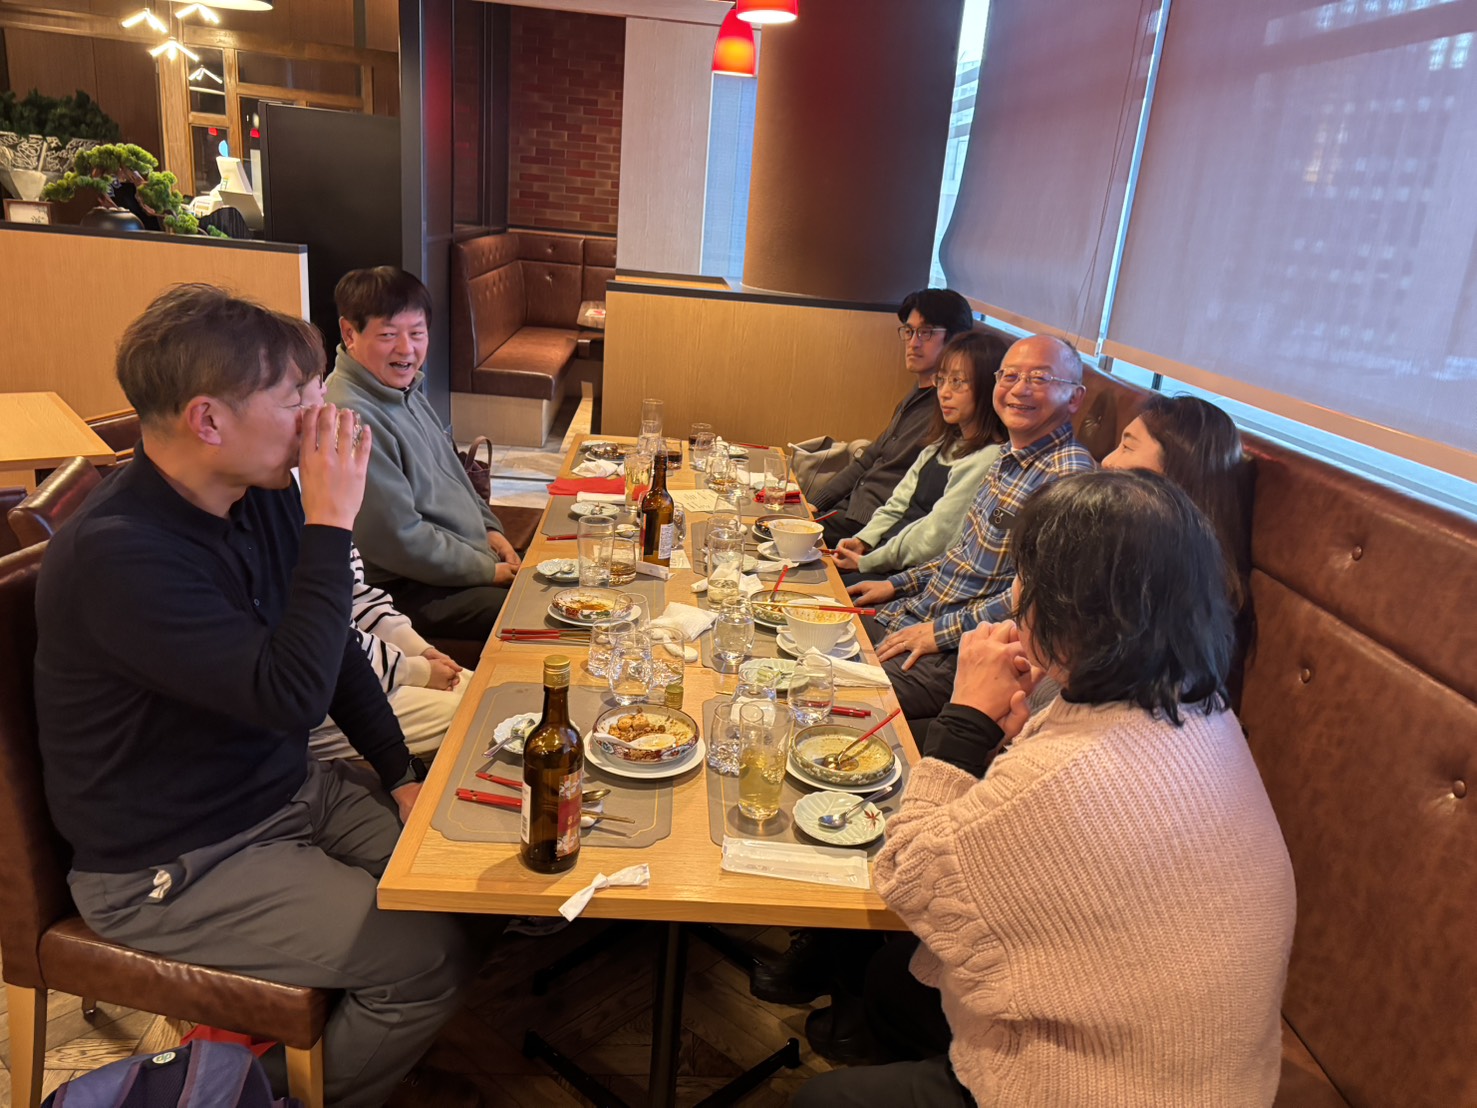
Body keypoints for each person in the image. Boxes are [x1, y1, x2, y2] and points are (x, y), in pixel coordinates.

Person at [35, 285, 492, 1108]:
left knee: (463, 882)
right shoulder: (119, 556)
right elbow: (290, 697)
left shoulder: (264, 493)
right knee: (428, 960)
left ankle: (323, 1050)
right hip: (174, 860)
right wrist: (331, 523)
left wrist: (398, 774)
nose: (323, 417)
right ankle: (255, 1094)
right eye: (297, 398)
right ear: (209, 421)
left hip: (284, 792)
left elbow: (333, 649)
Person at [794, 470, 1296, 1107]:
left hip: (1118, 1088)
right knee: (897, 981)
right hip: (1211, 1064)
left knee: (817, 1102)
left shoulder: (1075, 774)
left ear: (1071, 610)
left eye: (1023, 577)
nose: (1013, 594)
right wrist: (1003, 739)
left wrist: (966, 719)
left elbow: (907, 876)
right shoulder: (1199, 707)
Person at [847, 334, 1095, 722]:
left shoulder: (1067, 479)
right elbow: (963, 551)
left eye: (1040, 378)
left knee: (828, 692)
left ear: (1075, 398)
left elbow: (1033, 601)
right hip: (914, 613)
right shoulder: (1008, 458)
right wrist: (897, 584)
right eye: (1010, 376)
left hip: (955, 653)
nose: (1020, 389)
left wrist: (939, 632)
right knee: (801, 633)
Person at [324, 266, 518, 642]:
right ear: (349, 333)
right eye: (388, 335)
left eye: (417, 333)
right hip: (406, 588)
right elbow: (398, 540)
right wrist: (485, 570)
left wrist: (491, 530)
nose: (406, 349)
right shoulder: (351, 417)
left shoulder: (404, 390)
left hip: (459, 560)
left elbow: (455, 476)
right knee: (530, 614)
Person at [832, 331, 1008, 583]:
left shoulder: (987, 456)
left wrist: (868, 561)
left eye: (957, 381)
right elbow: (898, 502)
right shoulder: (943, 442)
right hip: (883, 555)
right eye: (942, 380)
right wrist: (863, 540)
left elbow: (936, 535)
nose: (944, 392)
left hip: (911, 574)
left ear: (989, 387)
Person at [809, 289, 975, 548]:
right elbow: (869, 459)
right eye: (909, 331)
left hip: (873, 527)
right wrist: (814, 503)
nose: (913, 343)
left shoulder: (949, 411)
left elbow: (917, 499)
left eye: (926, 332)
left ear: (956, 339)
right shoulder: (916, 394)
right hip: (850, 511)